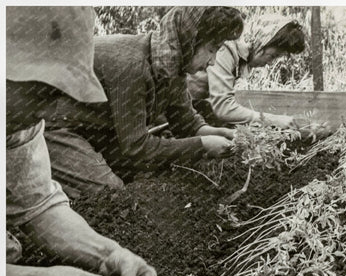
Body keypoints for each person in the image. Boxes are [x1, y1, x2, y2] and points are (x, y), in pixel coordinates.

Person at [6, 6, 157, 276]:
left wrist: (108, 252)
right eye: (37, 92)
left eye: (54, 95)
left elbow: (39, 205)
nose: (46, 112)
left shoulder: (19, 122)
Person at [7, 6, 245, 198]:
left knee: (153, 170)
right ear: (190, 40)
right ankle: (58, 181)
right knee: (111, 194)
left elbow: (186, 122)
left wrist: (214, 132)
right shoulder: (132, 66)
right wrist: (202, 145)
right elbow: (136, 147)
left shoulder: (172, 66)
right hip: (59, 129)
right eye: (212, 50)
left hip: (98, 131)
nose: (213, 62)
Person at [187, 15, 306, 127]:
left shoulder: (242, 57)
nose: (270, 63)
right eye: (272, 56)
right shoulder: (227, 49)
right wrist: (275, 120)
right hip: (178, 111)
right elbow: (223, 107)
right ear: (260, 44)